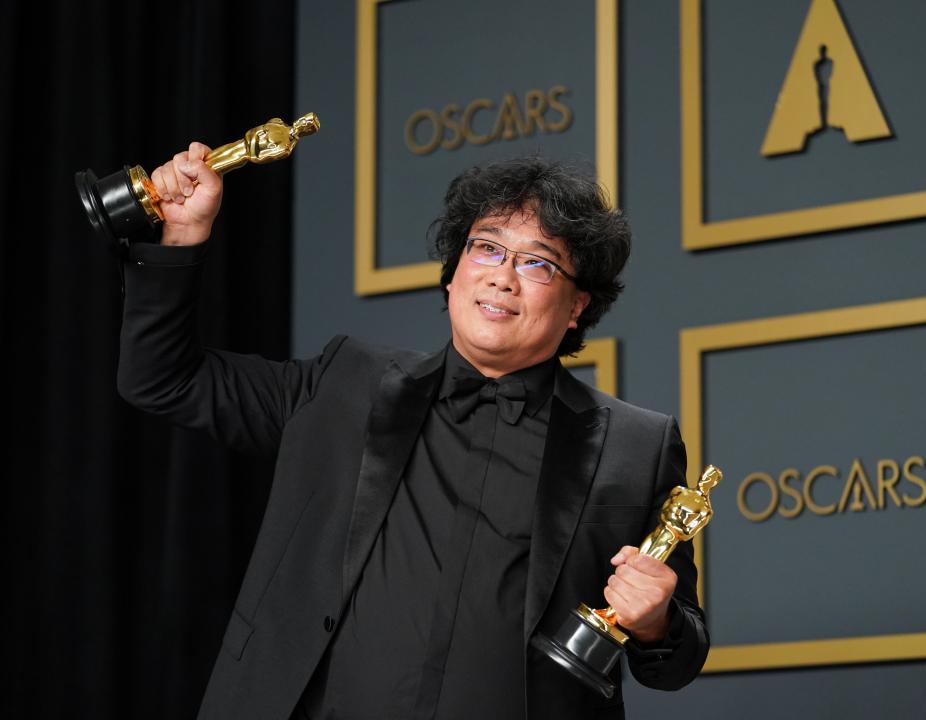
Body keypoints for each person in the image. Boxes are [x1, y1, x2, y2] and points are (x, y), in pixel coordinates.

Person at [119, 144, 709, 719]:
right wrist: (183, 236)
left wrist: (656, 620)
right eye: (486, 248)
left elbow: (675, 662)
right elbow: (161, 379)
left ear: (578, 305)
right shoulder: (344, 383)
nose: (503, 277)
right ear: (452, 276)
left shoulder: (636, 447)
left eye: (537, 262)